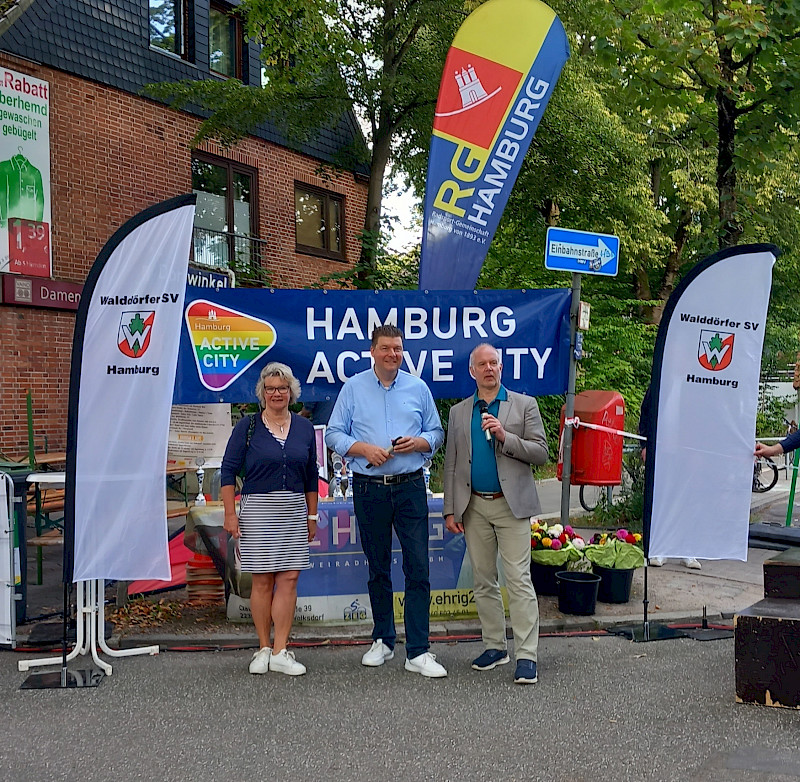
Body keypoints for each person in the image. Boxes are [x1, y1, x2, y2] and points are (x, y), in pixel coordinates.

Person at [325, 324, 446, 677]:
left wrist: (419, 443)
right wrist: (362, 449)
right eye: (386, 348)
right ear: (373, 351)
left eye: (398, 348)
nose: (393, 354)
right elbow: (333, 433)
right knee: (377, 568)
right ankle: (383, 639)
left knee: (418, 566)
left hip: (410, 487)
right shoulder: (353, 387)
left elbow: (436, 432)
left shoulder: (418, 387)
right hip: (369, 487)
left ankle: (419, 650)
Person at [443, 343, 546, 685]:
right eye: (482, 364)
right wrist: (450, 508)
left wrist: (505, 437)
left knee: (518, 579)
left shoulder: (524, 404)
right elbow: (452, 463)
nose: (489, 368)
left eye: (494, 363)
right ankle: (494, 646)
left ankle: (527, 655)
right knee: (483, 579)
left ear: (502, 367)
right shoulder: (459, 412)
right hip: (474, 507)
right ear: (472, 371)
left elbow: (541, 453)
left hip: (511, 504)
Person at [220, 362, 319, 676]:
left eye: (283, 388)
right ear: (262, 393)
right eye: (271, 388)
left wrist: (312, 515)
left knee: (289, 579)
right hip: (258, 511)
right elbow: (227, 472)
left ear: (291, 392)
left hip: (293, 510)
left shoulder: (304, 428)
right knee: (262, 580)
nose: (277, 393)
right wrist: (229, 514)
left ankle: (281, 651)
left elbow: (311, 477)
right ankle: (263, 648)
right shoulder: (247, 426)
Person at [639, 384, 701, 570]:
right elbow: (646, 413)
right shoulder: (659, 381)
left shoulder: (695, 384)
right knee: (660, 496)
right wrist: (644, 444)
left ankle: (687, 549)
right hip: (662, 446)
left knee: (688, 497)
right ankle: (659, 548)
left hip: (688, 448)